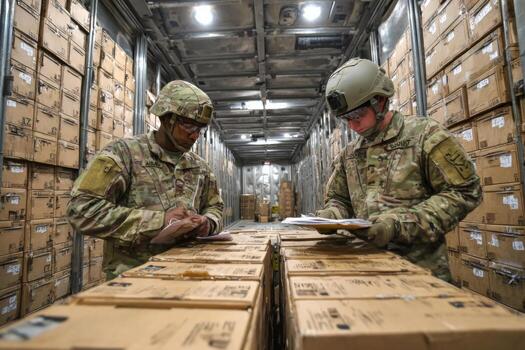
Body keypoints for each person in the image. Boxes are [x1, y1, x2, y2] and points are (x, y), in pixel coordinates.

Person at [316, 58, 482, 279]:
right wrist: (331, 216)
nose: (352, 125)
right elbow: (340, 199)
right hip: (366, 271)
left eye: (357, 116)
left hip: (421, 274)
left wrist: (397, 225)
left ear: (380, 101)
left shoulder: (424, 136)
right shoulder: (350, 154)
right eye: (346, 119)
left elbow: (465, 191)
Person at [67, 80, 224, 279]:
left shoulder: (200, 166)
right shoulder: (123, 154)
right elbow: (81, 209)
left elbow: (215, 206)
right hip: (132, 278)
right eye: (188, 125)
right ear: (167, 119)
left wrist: (208, 222)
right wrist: (159, 221)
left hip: (187, 272)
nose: (195, 135)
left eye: (199, 129)